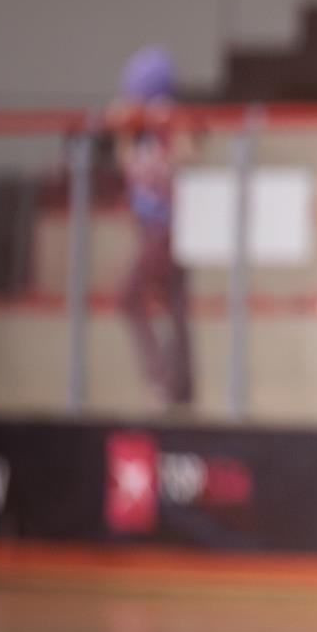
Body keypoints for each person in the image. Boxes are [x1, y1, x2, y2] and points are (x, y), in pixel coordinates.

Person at [110, 45, 194, 412]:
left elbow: (186, 154)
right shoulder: (136, 129)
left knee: (129, 296)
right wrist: (126, 129)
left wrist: (162, 122)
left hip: (168, 227)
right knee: (173, 305)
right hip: (148, 227)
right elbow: (124, 164)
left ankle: (163, 380)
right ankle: (180, 389)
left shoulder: (168, 120)